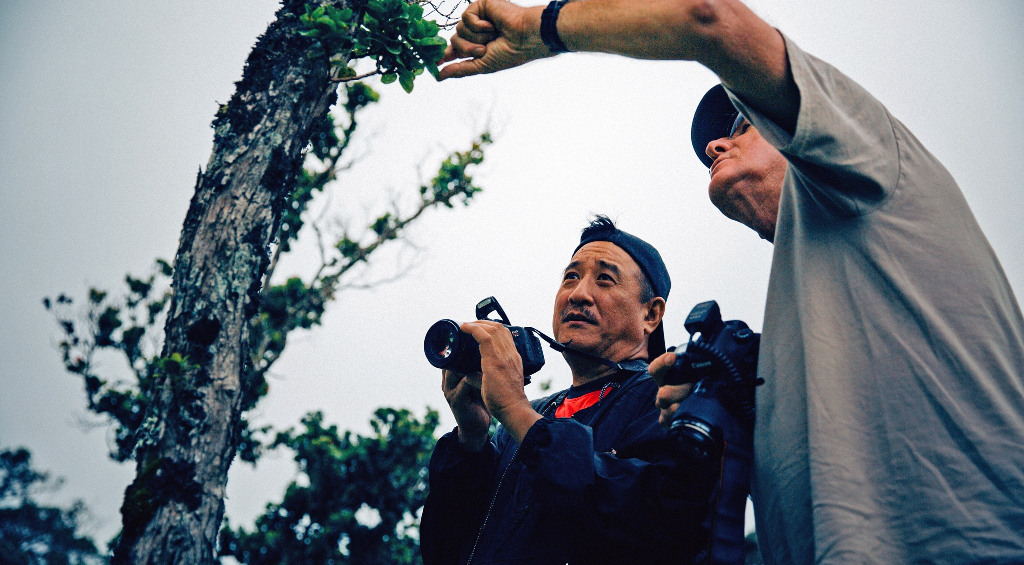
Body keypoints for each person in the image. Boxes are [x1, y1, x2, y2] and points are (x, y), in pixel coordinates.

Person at [438, 1, 1024, 563]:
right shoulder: (794, 318)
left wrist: (539, 27)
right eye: (570, 276)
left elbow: (708, 18)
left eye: (744, 122)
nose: (716, 144)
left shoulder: (874, 163)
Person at [420, 216, 718, 564]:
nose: (578, 294)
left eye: (604, 280)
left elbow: (651, 523)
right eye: (570, 277)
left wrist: (515, 410)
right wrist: (471, 441)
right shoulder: (526, 421)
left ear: (651, 315)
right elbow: (444, 552)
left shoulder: (670, 397)